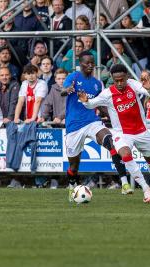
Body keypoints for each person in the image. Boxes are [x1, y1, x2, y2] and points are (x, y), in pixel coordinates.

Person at [78, 63, 150, 203]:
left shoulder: (133, 84)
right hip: (122, 133)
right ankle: (145, 187)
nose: (119, 83)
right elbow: (92, 103)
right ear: (113, 79)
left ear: (127, 77)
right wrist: (85, 102)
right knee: (125, 154)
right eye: (116, 80)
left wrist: (149, 89)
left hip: (141, 130)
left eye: (122, 79)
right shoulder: (108, 93)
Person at [61, 52, 132, 199]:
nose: (90, 65)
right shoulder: (73, 77)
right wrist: (67, 90)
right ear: (80, 64)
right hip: (74, 126)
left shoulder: (96, 83)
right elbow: (63, 90)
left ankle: (125, 184)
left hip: (92, 121)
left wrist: (114, 118)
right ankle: (72, 185)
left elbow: (99, 104)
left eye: (92, 62)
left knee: (111, 143)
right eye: (87, 62)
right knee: (73, 166)